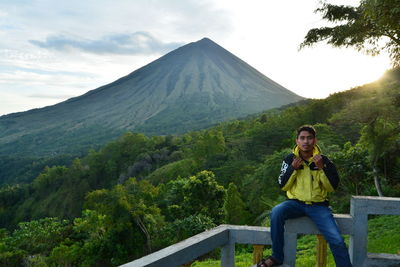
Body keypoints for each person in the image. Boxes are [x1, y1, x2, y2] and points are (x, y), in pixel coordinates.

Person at [258, 125, 352, 267]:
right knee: (277, 211)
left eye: (309, 138)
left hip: (319, 206)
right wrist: (292, 169)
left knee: (337, 239)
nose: (306, 141)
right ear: (297, 141)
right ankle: (276, 257)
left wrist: (322, 169)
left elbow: (332, 187)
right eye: (302, 138)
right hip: (295, 204)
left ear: (315, 141)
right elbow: (282, 185)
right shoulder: (290, 159)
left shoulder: (324, 161)